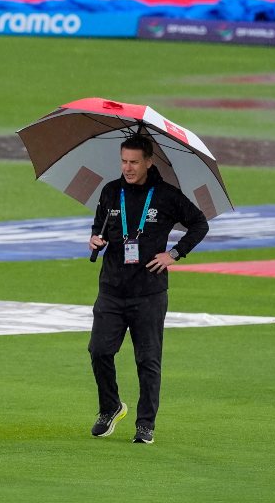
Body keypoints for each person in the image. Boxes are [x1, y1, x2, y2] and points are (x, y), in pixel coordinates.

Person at [87, 134, 209, 445]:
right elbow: (99, 224)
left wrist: (174, 254)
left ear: (148, 162)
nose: (127, 167)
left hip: (149, 293)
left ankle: (145, 425)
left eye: (133, 162)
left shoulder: (167, 196)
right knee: (99, 351)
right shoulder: (112, 192)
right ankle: (110, 407)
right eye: (123, 161)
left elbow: (199, 224)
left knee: (148, 360)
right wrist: (95, 240)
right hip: (112, 289)